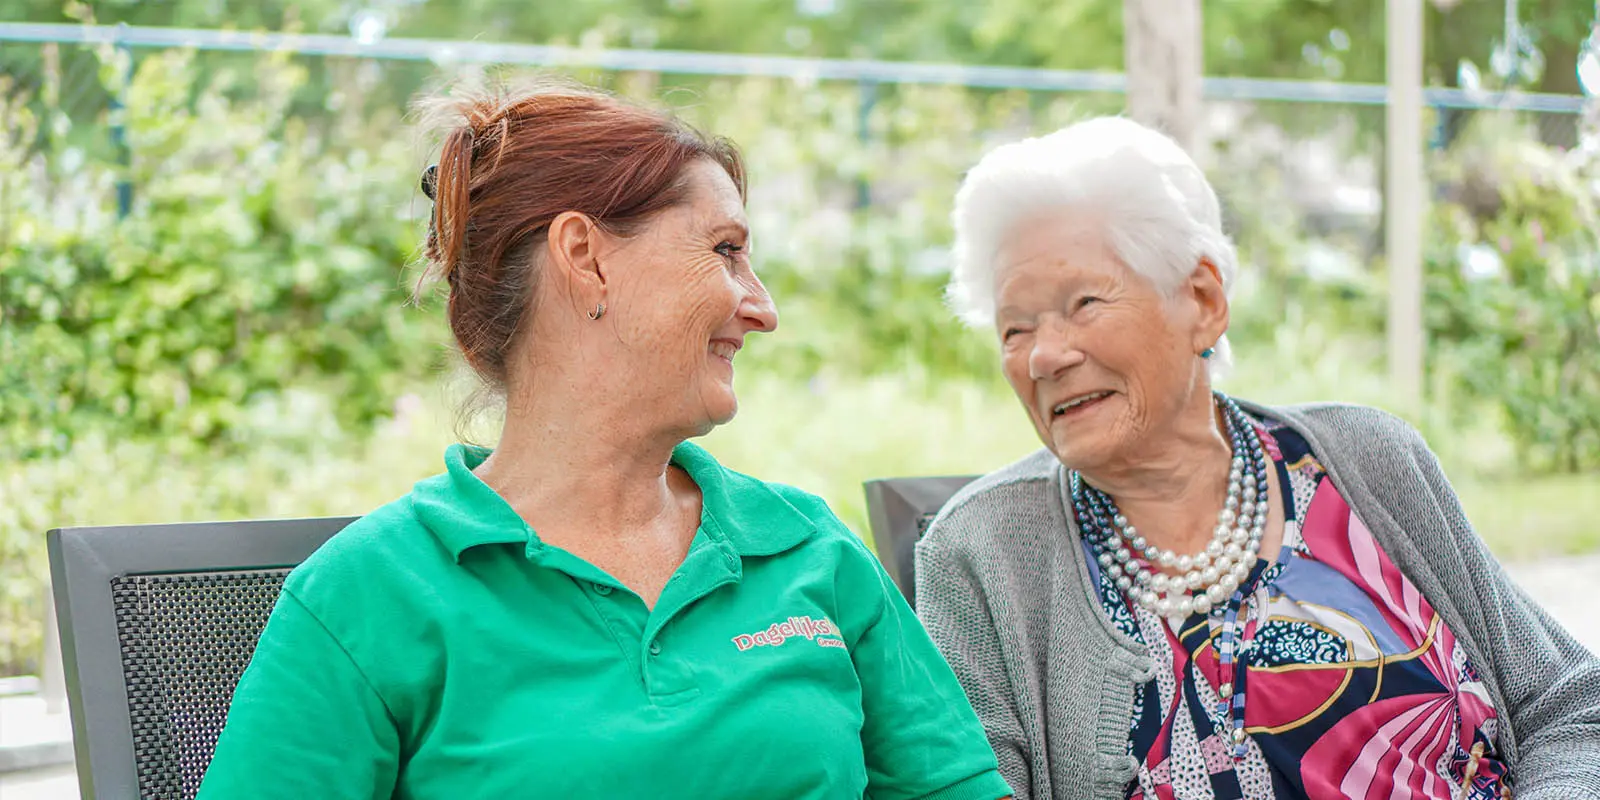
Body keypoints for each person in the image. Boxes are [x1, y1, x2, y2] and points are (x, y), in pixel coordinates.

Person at [198, 78, 1012, 800]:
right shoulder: (368, 596)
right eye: (725, 251)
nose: (761, 307)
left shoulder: (807, 549)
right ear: (585, 258)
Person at [913, 116, 1600, 800]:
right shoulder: (983, 552)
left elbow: (1568, 703)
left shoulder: (1371, 460)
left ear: (1204, 301)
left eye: (1083, 303)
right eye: (1016, 328)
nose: (1045, 355)